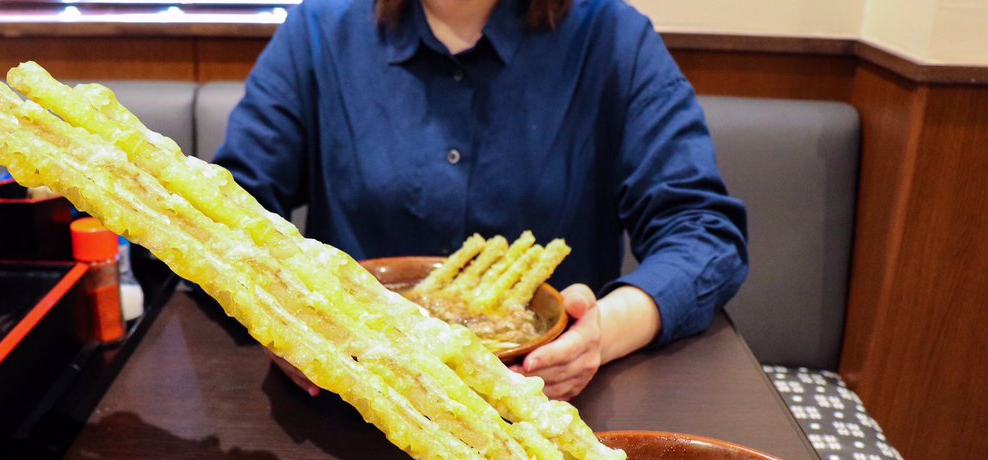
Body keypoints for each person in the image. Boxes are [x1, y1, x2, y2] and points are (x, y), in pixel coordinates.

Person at [214, 0, 748, 401]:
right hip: (350, 404)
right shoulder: (320, 30)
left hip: (545, 414)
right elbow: (227, 211)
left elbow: (702, 232)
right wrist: (280, 315)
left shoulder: (611, 38)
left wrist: (600, 335)